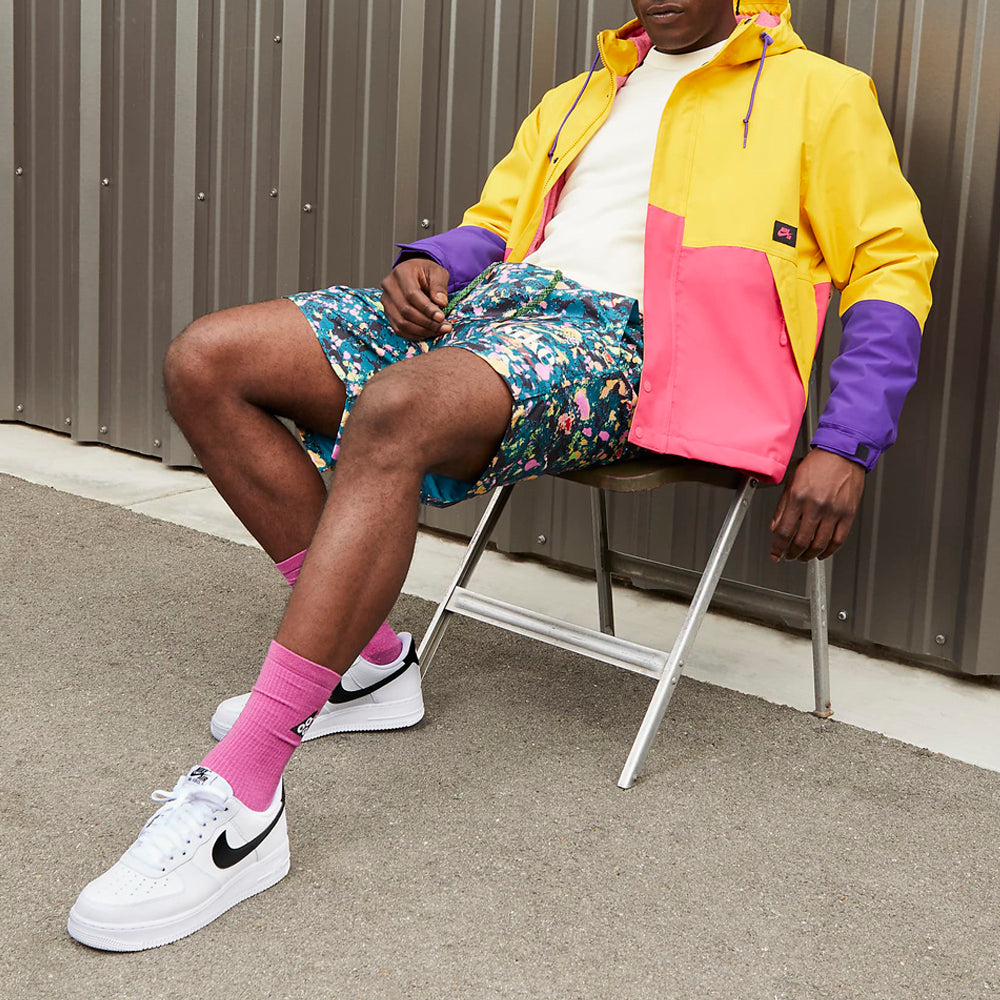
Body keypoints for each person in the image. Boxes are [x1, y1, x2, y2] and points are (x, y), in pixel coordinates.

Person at [67, 0, 936, 951]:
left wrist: (847, 442)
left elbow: (890, 263)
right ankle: (368, 666)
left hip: (640, 349)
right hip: (503, 312)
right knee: (209, 359)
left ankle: (242, 796)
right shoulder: (585, 93)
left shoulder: (819, 94)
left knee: (397, 408)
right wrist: (430, 263)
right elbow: (498, 223)